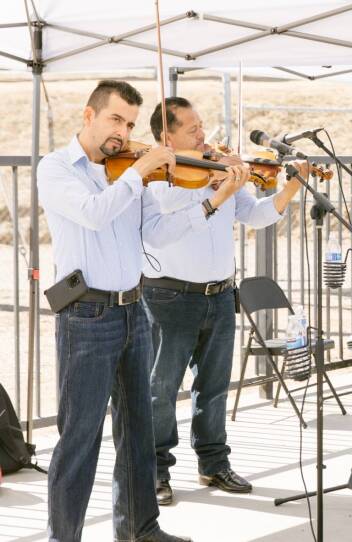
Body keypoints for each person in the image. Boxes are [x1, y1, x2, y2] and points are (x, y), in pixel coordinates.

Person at [37, 80, 194, 542]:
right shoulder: (56, 168)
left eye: (129, 124)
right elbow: (93, 212)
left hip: (133, 310)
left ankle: (140, 529)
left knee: (138, 430)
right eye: (115, 119)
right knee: (80, 437)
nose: (123, 132)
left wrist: (209, 199)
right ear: (89, 115)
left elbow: (156, 233)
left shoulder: (129, 171)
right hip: (86, 316)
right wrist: (139, 172)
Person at [141, 97, 309, 505]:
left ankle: (213, 463)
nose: (204, 134)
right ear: (167, 137)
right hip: (169, 295)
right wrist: (215, 187)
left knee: (214, 386)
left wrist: (291, 186)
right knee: (160, 389)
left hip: (218, 295)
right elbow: (162, 225)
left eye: (202, 125)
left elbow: (255, 215)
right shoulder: (155, 177)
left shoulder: (219, 171)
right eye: (193, 129)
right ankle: (154, 470)